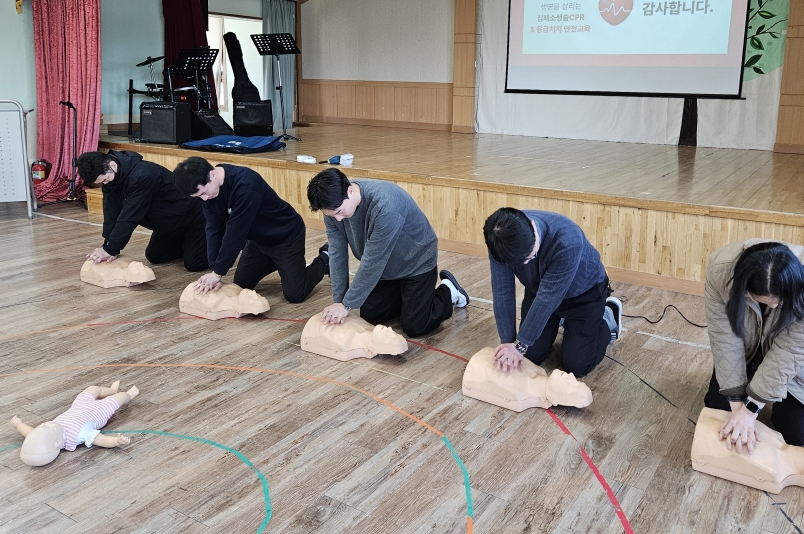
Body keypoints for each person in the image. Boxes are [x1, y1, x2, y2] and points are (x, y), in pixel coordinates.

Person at [704, 239, 804, 454]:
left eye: (778, 302)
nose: (773, 306)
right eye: (763, 301)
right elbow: (724, 336)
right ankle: (752, 375)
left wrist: (749, 412)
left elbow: (793, 350)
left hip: (793, 351)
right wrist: (738, 403)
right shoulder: (720, 270)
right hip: (749, 344)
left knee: (796, 433)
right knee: (717, 409)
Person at [305, 168, 468, 338]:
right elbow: (337, 254)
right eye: (332, 215)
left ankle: (449, 291)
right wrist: (339, 301)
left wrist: (346, 306)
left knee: (416, 326)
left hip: (415, 261)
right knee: (371, 317)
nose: (338, 219)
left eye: (339, 212)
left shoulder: (386, 206)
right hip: (387, 269)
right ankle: (407, 299)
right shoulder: (332, 209)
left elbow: (372, 262)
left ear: (350, 191)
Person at [483, 207, 621, 378]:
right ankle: (560, 323)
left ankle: (608, 316)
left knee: (577, 366)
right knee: (530, 356)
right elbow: (503, 291)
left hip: (583, 295)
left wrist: (520, 345)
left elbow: (547, 298)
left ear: (533, 228)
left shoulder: (567, 240)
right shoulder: (499, 240)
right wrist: (509, 343)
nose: (525, 264)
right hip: (539, 289)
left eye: (529, 258)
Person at [172, 156, 327, 302]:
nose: (205, 199)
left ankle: (325, 258)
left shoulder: (245, 184)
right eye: (199, 197)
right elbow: (213, 229)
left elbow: (235, 232)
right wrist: (214, 269)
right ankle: (277, 263)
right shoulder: (210, 192)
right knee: (241, 284)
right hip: (258, 240)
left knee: (295, 295)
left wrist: (218, 273)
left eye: (204, 193)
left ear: (212, 175)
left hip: (285, 237)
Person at [78, 150, 208, 272]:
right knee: (155, 256)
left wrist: (111, 249)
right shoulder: (111, 180)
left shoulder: (142, 175)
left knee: (194, 264)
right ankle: (192, 244)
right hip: (168, 224)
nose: (105, 184)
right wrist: (107, 246)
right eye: (101, 182)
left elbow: (130, 215)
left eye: (105, 179)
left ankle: (213, 242)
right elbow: (111, 212)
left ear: (112, 165)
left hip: (192, 218)